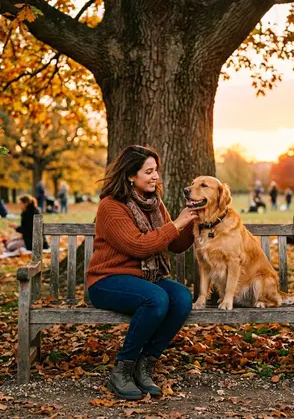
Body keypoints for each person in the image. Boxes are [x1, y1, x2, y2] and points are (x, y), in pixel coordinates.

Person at [86, 145, 197, 400]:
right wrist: (176, 223)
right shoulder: (111, 206)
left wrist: (191, 221)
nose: (155, 176)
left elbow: (176, 245)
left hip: (147, 278)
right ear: (130, 176)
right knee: (156, 298)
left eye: (156, 170)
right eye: (148, 171)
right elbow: (139, 245)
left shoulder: (154, 205)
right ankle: (123, 370)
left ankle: (145, 365)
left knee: (181, 297)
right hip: (107, 280)